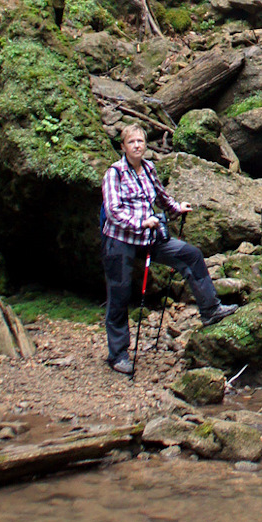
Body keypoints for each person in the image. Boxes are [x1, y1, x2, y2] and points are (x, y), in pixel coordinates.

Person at [101, 125, 234, 374]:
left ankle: (211, 308)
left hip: (150, 236)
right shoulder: (114, 174)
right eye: (132, 142)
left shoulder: (149, 168)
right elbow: (113, 211)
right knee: (119, 295)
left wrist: (175, 208)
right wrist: (140, 222)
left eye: (141, 141)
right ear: (123, 146)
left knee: (190, 255)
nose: (138, 145)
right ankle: (118, 355)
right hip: (120, 240)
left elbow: (161, 196)